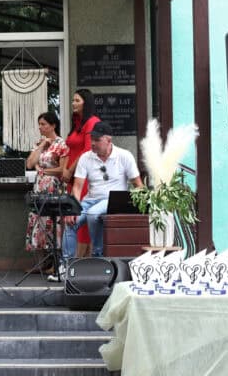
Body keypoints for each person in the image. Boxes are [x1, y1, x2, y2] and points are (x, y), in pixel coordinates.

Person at [62, 121, 143, 259]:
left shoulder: (124, 156)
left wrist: (145, 207)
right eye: (92, 139)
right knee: (70, 222)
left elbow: (138, 185)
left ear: (108, 140)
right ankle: (66, 264)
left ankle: (97, 256)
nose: (93, 143)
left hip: (113, 200)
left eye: (97, 140)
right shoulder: (85, 157)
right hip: (90, 200)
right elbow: (77, 187)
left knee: (93, 214)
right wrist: (72, 209)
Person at [25, 112, 69, 268]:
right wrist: (42, 145)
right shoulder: (39, 143)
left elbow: (62, 169)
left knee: (52, 221)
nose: (40, 127)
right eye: (39, 124)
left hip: (53, 186)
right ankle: (42, 263)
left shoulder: (61, 144)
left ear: (53, 125)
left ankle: (55, 263)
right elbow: (30, 164)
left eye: (43, 124)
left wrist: (44, 171)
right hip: (39, 186)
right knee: (39, 220)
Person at [61, 89, 101, 257]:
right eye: (73, 100)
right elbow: (71, 148)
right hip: (72, 178)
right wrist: (64, 169)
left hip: (83, 178)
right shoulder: (78, 123)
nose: (73, 103)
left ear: (86, 102)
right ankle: (71, 259)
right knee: (70, 217)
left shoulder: (92, 122)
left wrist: (70, 170)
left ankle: (82, 259)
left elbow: (86, 150)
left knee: (79, 217)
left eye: (77, 100)